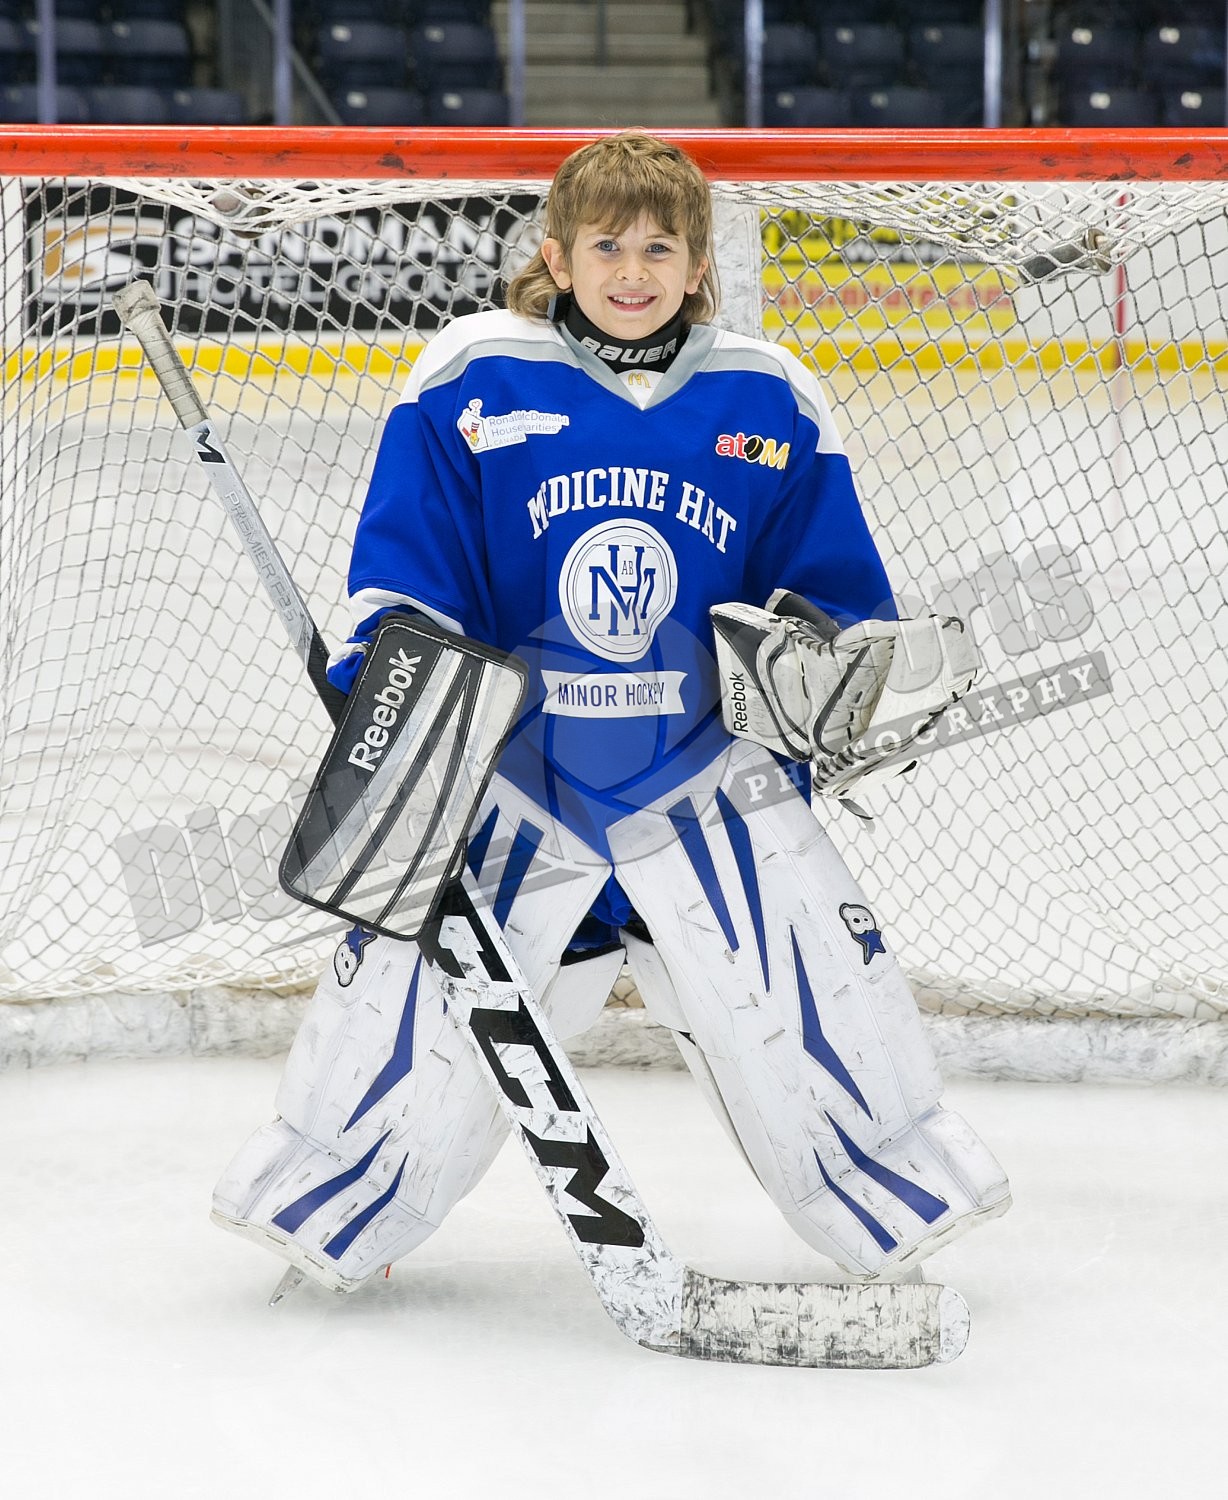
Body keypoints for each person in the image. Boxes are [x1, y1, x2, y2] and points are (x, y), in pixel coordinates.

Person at [212, 132, 1010, 1293]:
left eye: (658, 246)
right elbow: (406, 568)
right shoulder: (472, 374)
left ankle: (892, 1209)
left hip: (705, 783)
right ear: (556, 253)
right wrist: (387, 677)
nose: (630, 270)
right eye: (604, 245)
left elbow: (832, 592)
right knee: (417, 1008)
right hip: (514, 779)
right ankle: (334, 1208)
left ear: (697, 265)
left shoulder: (766, 390)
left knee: (804, 992)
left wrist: (829, 667)